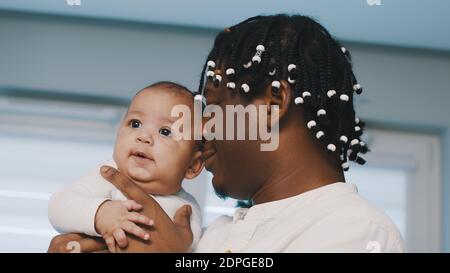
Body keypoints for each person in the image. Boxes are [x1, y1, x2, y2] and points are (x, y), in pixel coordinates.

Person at [48, 14, 405, 253]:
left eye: (214, 106)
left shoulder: (357, 231)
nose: (200, 131)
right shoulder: (210, 236)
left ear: (272, 102)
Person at [48, 81, 204, 253]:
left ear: (192, 165)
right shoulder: (108, 176)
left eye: (165, 131)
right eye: (135, 124)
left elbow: (188, 250)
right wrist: (100, 213)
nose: (143, 136)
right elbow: (59, 205)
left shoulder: (185, 209)